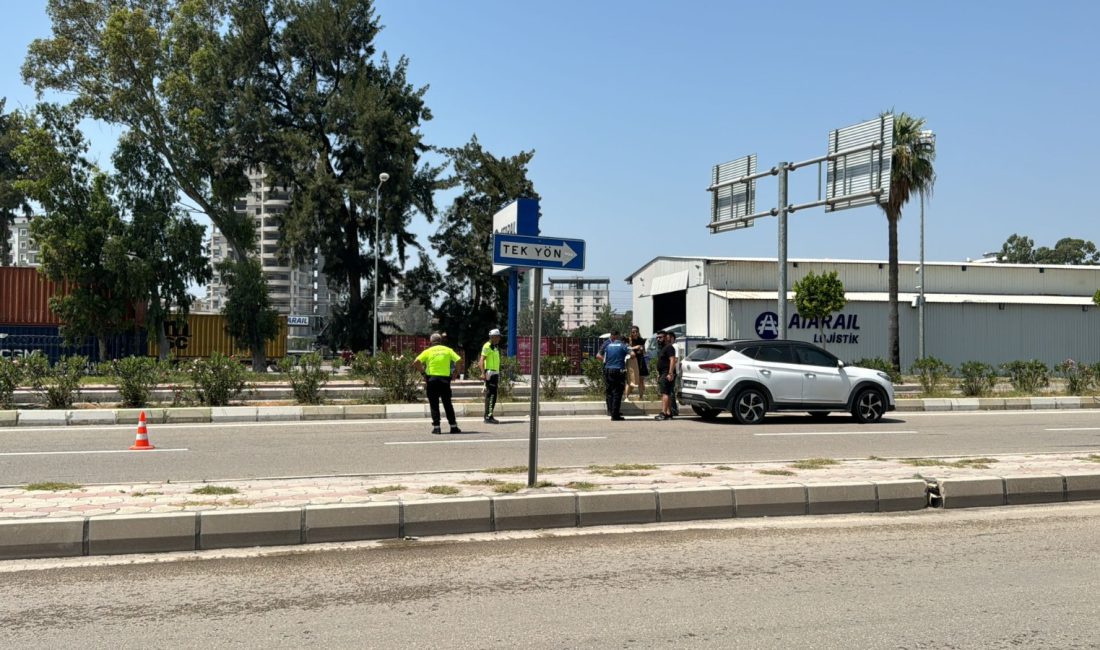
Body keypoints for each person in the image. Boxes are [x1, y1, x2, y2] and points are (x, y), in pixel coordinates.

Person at [413, 333, 463, 434]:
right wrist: (456, 372)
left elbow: (416, 362)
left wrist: (423, 373)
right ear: (441, 341)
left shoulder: (428, 351)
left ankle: (437, 428)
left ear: (431, 342)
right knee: (447, 403)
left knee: (434, 404)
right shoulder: (448, 350)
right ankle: (453, 427)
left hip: (432, 379)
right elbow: (459, 360)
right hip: (445, 380)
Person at [596, 329, 631, 421]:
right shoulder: (607, 343)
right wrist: (607, 360)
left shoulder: (614, 344)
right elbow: (598, 356)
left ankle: (614, 411)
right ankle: (612, 411)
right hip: (612, 369)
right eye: (617, 336)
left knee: (612, 391)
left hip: (611, 369)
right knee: (612, 391)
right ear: (614, 336)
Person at [479, 328, 503, 424]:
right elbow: (481, 361)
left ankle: (489, 415)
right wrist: (482, 373)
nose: (499, 338)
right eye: (497, 337)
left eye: (499, 337)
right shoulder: (487, 346)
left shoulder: (495, 347)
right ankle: (488, 417)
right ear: (492, 337)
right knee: (491, 395)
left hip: (495, 373)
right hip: (490, 373)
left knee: (493, 394)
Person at [654, 330, 677, 420]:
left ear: (666, 337)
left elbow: (672, 360)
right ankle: (668, 413)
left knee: (665, 393)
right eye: (657, 338)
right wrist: (658, 374)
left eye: (660, 337)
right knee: (667, 393)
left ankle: (663, 413)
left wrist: (670, 373)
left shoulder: (669, 347)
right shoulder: (663, 348)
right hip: (663, 373)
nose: (658, 339)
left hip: (667, 373)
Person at [625, 325, 647, 400]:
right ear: (631, 332)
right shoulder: (628, 340)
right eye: (633, 332)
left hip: (640, 361)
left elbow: (644, 351)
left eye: (636, 332)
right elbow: (625, 348)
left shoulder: (641, 340)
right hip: (632, 362)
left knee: (641, 380)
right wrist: (635, 347)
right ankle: (626, 397)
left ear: (638, 332)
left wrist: (641, 349)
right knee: (630, 380)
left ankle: (641, 397)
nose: (635, 333)